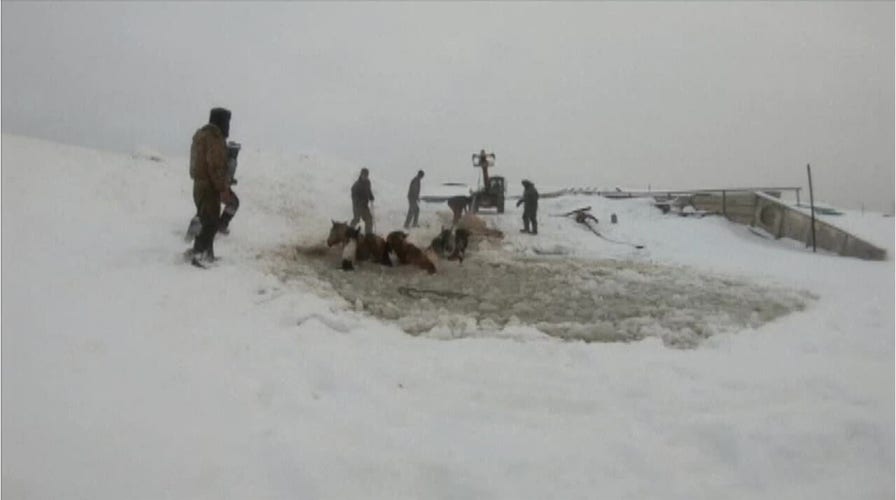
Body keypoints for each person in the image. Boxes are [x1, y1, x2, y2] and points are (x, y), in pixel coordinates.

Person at [185, 107, 233, 265]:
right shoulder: (214, 138)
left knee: (205, 218)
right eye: (227, 122)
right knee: (210, 223)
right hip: (209, 186)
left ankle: (207, 254)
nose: (228, 126)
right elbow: (216, 166)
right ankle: (199, 255)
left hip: (199, 184)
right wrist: (223, 188)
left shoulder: (201, 135)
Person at [350, 167, 375, 235]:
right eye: (364, 175)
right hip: (357, 206)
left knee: (369, 219)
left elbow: (368, 190)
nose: (365, 177)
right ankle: (349, 231)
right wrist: (359, 202)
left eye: (366, 175)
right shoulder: (356, 185)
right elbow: (354, 197)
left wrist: (371, 196)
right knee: (356, 219)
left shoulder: (368, 182)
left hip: (364, 206)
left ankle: (368, 234)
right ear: (361, 175)